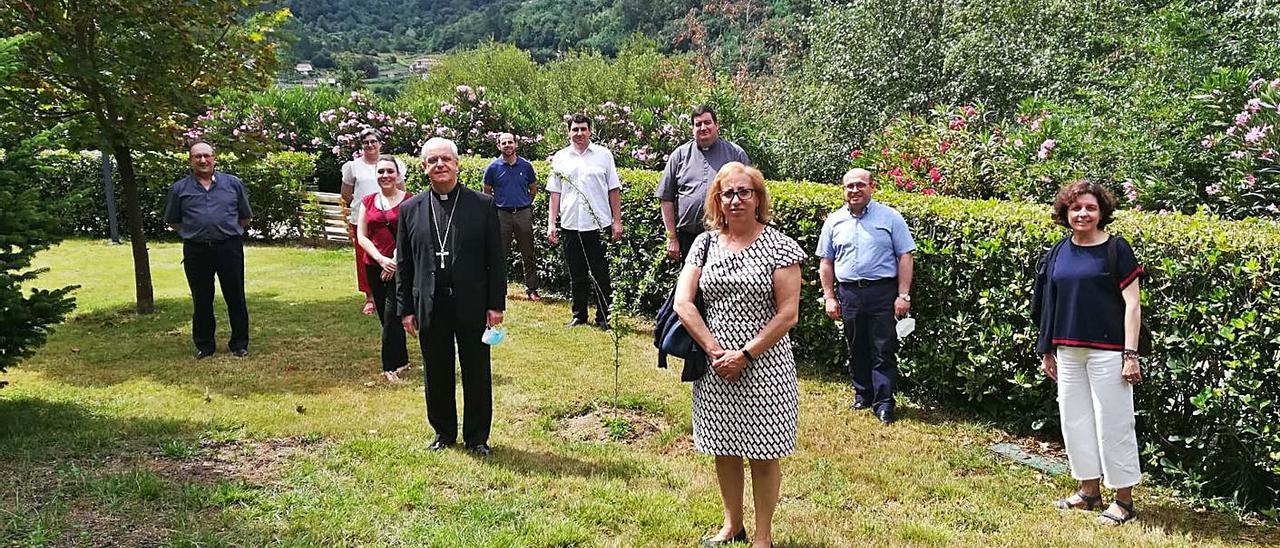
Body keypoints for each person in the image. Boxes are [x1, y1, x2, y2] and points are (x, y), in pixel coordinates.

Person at [673, 162, 804, 548]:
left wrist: (744, 354)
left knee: (764, 452)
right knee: (724, 448)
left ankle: (763, 536)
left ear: (758, 198)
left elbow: (788, 313)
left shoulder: (781, 246)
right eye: (727, 193)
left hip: (765, 366)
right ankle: (733, 525)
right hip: (716, 366)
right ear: (717, 200)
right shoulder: (705, 243)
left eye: (744, 192)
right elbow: (684, 302)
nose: (735, 200)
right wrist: (716, 351)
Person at [1033, 180, 1143, 526]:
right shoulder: (1058, 252)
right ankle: (1088, 491)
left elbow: (1133, 305)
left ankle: (1123, 500)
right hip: (1067, 351)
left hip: (1108, 353)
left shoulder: (1116, 249)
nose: (1083, 214)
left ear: (1102, 213)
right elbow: (1049, 305)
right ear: (1065, 213)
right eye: (1076, 208)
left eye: (1090, 208)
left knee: (1114, 424)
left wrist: (1130, 355)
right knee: (1075, 421)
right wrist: (1046, 349)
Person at [397, 137, 505, 457]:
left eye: (445, 159)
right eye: (432, 161)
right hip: (430, 304)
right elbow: (404, 263)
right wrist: (405, 308)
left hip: (471, 303)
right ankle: (443, 432)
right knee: (436, 369)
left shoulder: (482, 205)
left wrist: (496, 305)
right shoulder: (410, 209)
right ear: (424, 168)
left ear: (457, 164)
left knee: (476, 369)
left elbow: (495, 260)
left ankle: (477, 437)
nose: (440, 165)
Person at [817, 168, 915, 424]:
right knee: (856, 346)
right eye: (849, 186)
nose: (854, 190)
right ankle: (863, 395)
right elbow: (826, 262)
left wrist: (903, 295)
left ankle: (884, 403)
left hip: (882, 291)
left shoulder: (890, 217)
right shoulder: (834, 221)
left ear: (872, 186)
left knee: (883, 348)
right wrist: (829, 296)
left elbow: (905, 255)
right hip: (849, 293)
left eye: (860, 185)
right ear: (843, 190)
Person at [164, 141, 252, 359]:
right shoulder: (179, 189)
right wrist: (194, 233)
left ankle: (239, 343)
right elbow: (174, 220)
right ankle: (205, 345)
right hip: (196, 251)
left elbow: (245, 216)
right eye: (197, 157)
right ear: (190, 161)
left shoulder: (233, 184)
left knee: (236, 296)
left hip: (228, 248)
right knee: (201, 298)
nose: (203, 160)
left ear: (214, 158)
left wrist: (228, 231)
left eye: (206, 155)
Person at [547, 113, 623, 329]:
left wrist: (617, 221)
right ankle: (579, 315)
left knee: (601, 275)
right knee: (576, 274)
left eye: (583, 129)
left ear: (590, 131)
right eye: (575, 129)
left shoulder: (604, 155)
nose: (579, 133)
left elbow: (613, 190)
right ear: (569, 132)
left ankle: (604, 317)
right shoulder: (560, 157)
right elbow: (554, 192)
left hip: (598, 225)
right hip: (571, 225)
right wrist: (552, 223)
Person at [656, 104, 751, 261]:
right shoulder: (679, 156)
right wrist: (671, 238)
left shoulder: (735, 154)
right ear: (692, 129)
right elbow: (666, 198)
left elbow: (750, 195)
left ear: (716, 125)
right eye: (698, 124)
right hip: (688, 238)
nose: (703, 127)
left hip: (726, 237)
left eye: (707, 122)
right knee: (690, 283)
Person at [356, 155, 412, 382]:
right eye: (381, 172)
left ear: (398, 174)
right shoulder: (368, 201)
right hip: (374, 266)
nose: (385, 176)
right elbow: (361, 235)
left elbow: (410, 235)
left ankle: (389, 367)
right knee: (385, 317)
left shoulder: (409, 201)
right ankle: (403, 360)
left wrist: (394, 261)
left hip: (400, 267)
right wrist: (381, 259)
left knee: (392, 316)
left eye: (390, 171)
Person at [342, 128, 406, 315]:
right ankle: (370, 296)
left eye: (373, 141)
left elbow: (401, 188)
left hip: (392, 216)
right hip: (364, 217)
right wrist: (365, 207)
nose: (370, 145)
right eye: (366, 142)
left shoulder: (394, 164)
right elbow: (346, 193)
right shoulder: (353, 167)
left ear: (380, 143)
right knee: (366, 258)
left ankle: (395, 291)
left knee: (394, 250)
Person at [483, 132, 542, 301]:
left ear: (516, 144)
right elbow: (487, 192)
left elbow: (533, 189)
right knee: (500, 254)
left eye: (510, 142)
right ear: (498, 146)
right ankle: (498, 289)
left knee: (528, 253)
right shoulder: (492, 168)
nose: (507, 145)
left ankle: (532, 289)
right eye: (504, 143)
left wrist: (524, 204)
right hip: (502, 215)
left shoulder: (526, 166)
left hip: (523, 213)